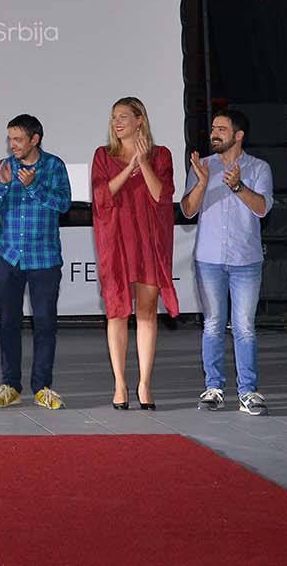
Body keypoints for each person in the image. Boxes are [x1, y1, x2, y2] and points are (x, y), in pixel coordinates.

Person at [182, 108, 273, 416]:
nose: (214, 134)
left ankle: (248, 392)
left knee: (244, 327)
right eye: (212, 128)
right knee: (212, 325)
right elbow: (188, 211)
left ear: (238, 135)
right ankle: (214, 389)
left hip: (246, 260)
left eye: (221, 129)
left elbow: (262, 208)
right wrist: (201, 183)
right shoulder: (202, 166)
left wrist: (238, 187)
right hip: (209, 259)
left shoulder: (259, 168)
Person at [0, 114, 72, 410]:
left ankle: (42, 387)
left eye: (18, 139)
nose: (13, 145)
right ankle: (10, 385)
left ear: (35, 139)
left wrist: (33, 186)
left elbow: (64, 205)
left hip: (44, 258)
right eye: (10, 139)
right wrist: (3, 186)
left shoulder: (54, 166)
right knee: (8, 322)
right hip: (9, 256)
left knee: (45, 324)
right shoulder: (3, 168)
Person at [92, 97, 177, 411]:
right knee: (116, 311)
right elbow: (101, 195)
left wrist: (143, 163)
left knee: (146, 312)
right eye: (114, 117)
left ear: (140, 120)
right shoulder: (103, 155)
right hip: (116, 241)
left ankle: (144, 383)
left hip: (147, 242)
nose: (117, 122)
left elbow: (161, 195)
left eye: (124, 116)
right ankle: (119, 383)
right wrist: (129, 167)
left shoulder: (161, 155)